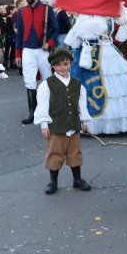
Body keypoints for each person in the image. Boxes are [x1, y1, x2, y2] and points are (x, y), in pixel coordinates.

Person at [64, 14, 127, 134]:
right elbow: (78, 36)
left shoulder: (109, 15)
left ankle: (119, 121)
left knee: (117, 86)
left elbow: (122, 25)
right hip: (92, 53)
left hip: (109, 51)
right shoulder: (86, 15)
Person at [33, 47, 92, 194]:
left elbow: (81, 105)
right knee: (55, 153)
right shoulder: (47, 84)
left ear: (70, 63)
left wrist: (84, 122)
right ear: (53, 66)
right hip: (56, 126)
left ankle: (77, 180)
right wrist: (44, 125)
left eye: (65, 64)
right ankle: (53, 182)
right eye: (58, 65)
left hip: (73, 125)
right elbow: (43, 105)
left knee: (75, 153)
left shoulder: (77, 84)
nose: (62, 68)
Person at [15, 0, 59, 125]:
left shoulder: (47, 9)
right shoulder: (21, 12)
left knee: (48, 80)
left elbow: (56, 30)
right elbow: (19, 34)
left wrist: (50, 43)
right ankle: (32, 113)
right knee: (29, 81)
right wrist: (18, 53)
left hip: (42, 50)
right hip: (27, 50)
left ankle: (52, 111)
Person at [0, 4, 15, 70]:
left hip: (12, 34)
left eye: (3, 8)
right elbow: (3, 26)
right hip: (5, 35)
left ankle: (13, 64)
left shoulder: (7, 16)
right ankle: (6, 64)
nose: (2, 9)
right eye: (0, 8)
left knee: (13, 49)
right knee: (6, 50)